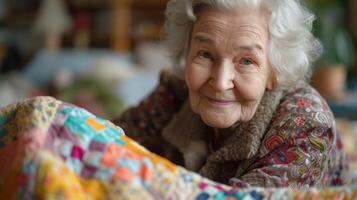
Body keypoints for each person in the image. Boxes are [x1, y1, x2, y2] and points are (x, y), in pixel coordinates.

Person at [114, 0, 348, 188]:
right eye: (205, 54)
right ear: (186, 54)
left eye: (246, 61)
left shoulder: (307, 125)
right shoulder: (175, 92)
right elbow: (102, 143)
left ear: (275, 72)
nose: (220, 82)